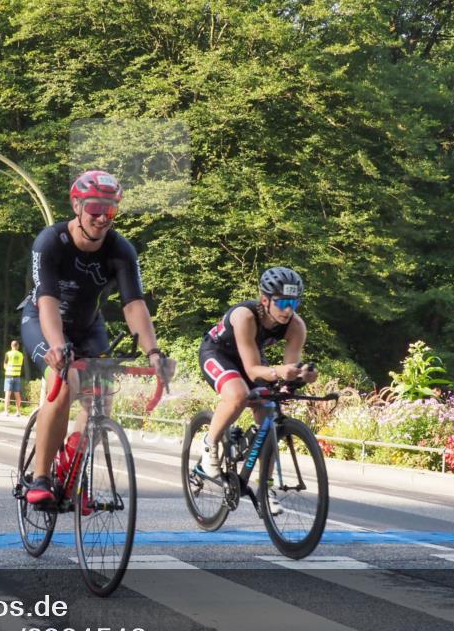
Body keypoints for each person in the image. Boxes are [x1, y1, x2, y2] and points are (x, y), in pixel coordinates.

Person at [20, 170, 175, 505]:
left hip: (89, 326)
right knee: (66, 382)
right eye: (94, 209)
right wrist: (58, 346)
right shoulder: (51, 241)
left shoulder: (121, 250)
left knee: (101, 399)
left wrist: (154, 353)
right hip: (43, 321)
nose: (103, 218)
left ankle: (72, 462)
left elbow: (134, 304)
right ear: (76, 205)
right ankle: (41, 477)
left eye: (111, 211)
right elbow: (47, 299)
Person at [197, 266, 318, 512]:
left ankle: (265, 486)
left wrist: (302, 375)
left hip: (250, 356)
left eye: (294, 303)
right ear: (265, 300)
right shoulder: (246, 316)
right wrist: (278, 372)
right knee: (238, 394)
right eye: (282, 302)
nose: (288, 310)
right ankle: (209, 445)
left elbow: (290, 365)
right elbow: (252, 370)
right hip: (218, 353)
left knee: (269, 416)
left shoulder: (296, 326)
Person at [2, 340, 24, 416]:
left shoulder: (8, 354)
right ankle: (18, 412)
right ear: (18, 346)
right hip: (17, 376)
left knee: (7, 394)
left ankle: (6, 411)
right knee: (17, 394)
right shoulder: (21, 355)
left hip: (9, 376)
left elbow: (4, 365)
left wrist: (8, 369)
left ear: (11, 346)